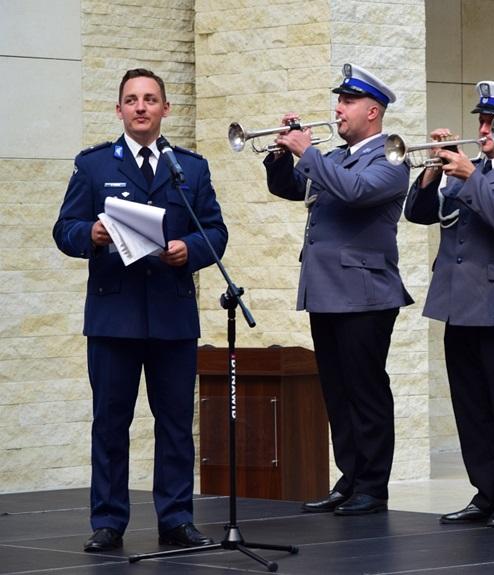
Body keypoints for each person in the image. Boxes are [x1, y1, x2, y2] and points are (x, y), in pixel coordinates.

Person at [53, 68, 228, 552]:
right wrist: (90, 234)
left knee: (175, 424)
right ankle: (108, 521)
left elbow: (215, 231)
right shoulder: (93, 166)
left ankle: (177, 519)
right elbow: (64, 228)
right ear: (119, 110)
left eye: (150, 99)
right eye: (131, 100)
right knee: (111, 424)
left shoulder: (189, 168)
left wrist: (189, 250)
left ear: (165, 108)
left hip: (172, 316)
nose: (141, 107)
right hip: (115, 316)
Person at [263, 64, 412, 516]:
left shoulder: (390, 158)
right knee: (337, 390)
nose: (338, 109)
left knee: (365, 391)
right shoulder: (337, 158)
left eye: (347, 102)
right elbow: (291, 188)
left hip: (365, 294)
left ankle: (373, 485)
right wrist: (282, 155)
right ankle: (350, 477)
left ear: (373, 111)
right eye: (339, 101)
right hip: (327, 290)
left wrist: (308, 151)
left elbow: (353, 192)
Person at [404, 81, 494, 528]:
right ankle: (485, 491)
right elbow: (418, 213)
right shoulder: (469, 170)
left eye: (492, 122)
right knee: (471, 406)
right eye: (481, 122)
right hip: (459, 302)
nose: (483, 130)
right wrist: (432, 172)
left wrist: (469, 175)